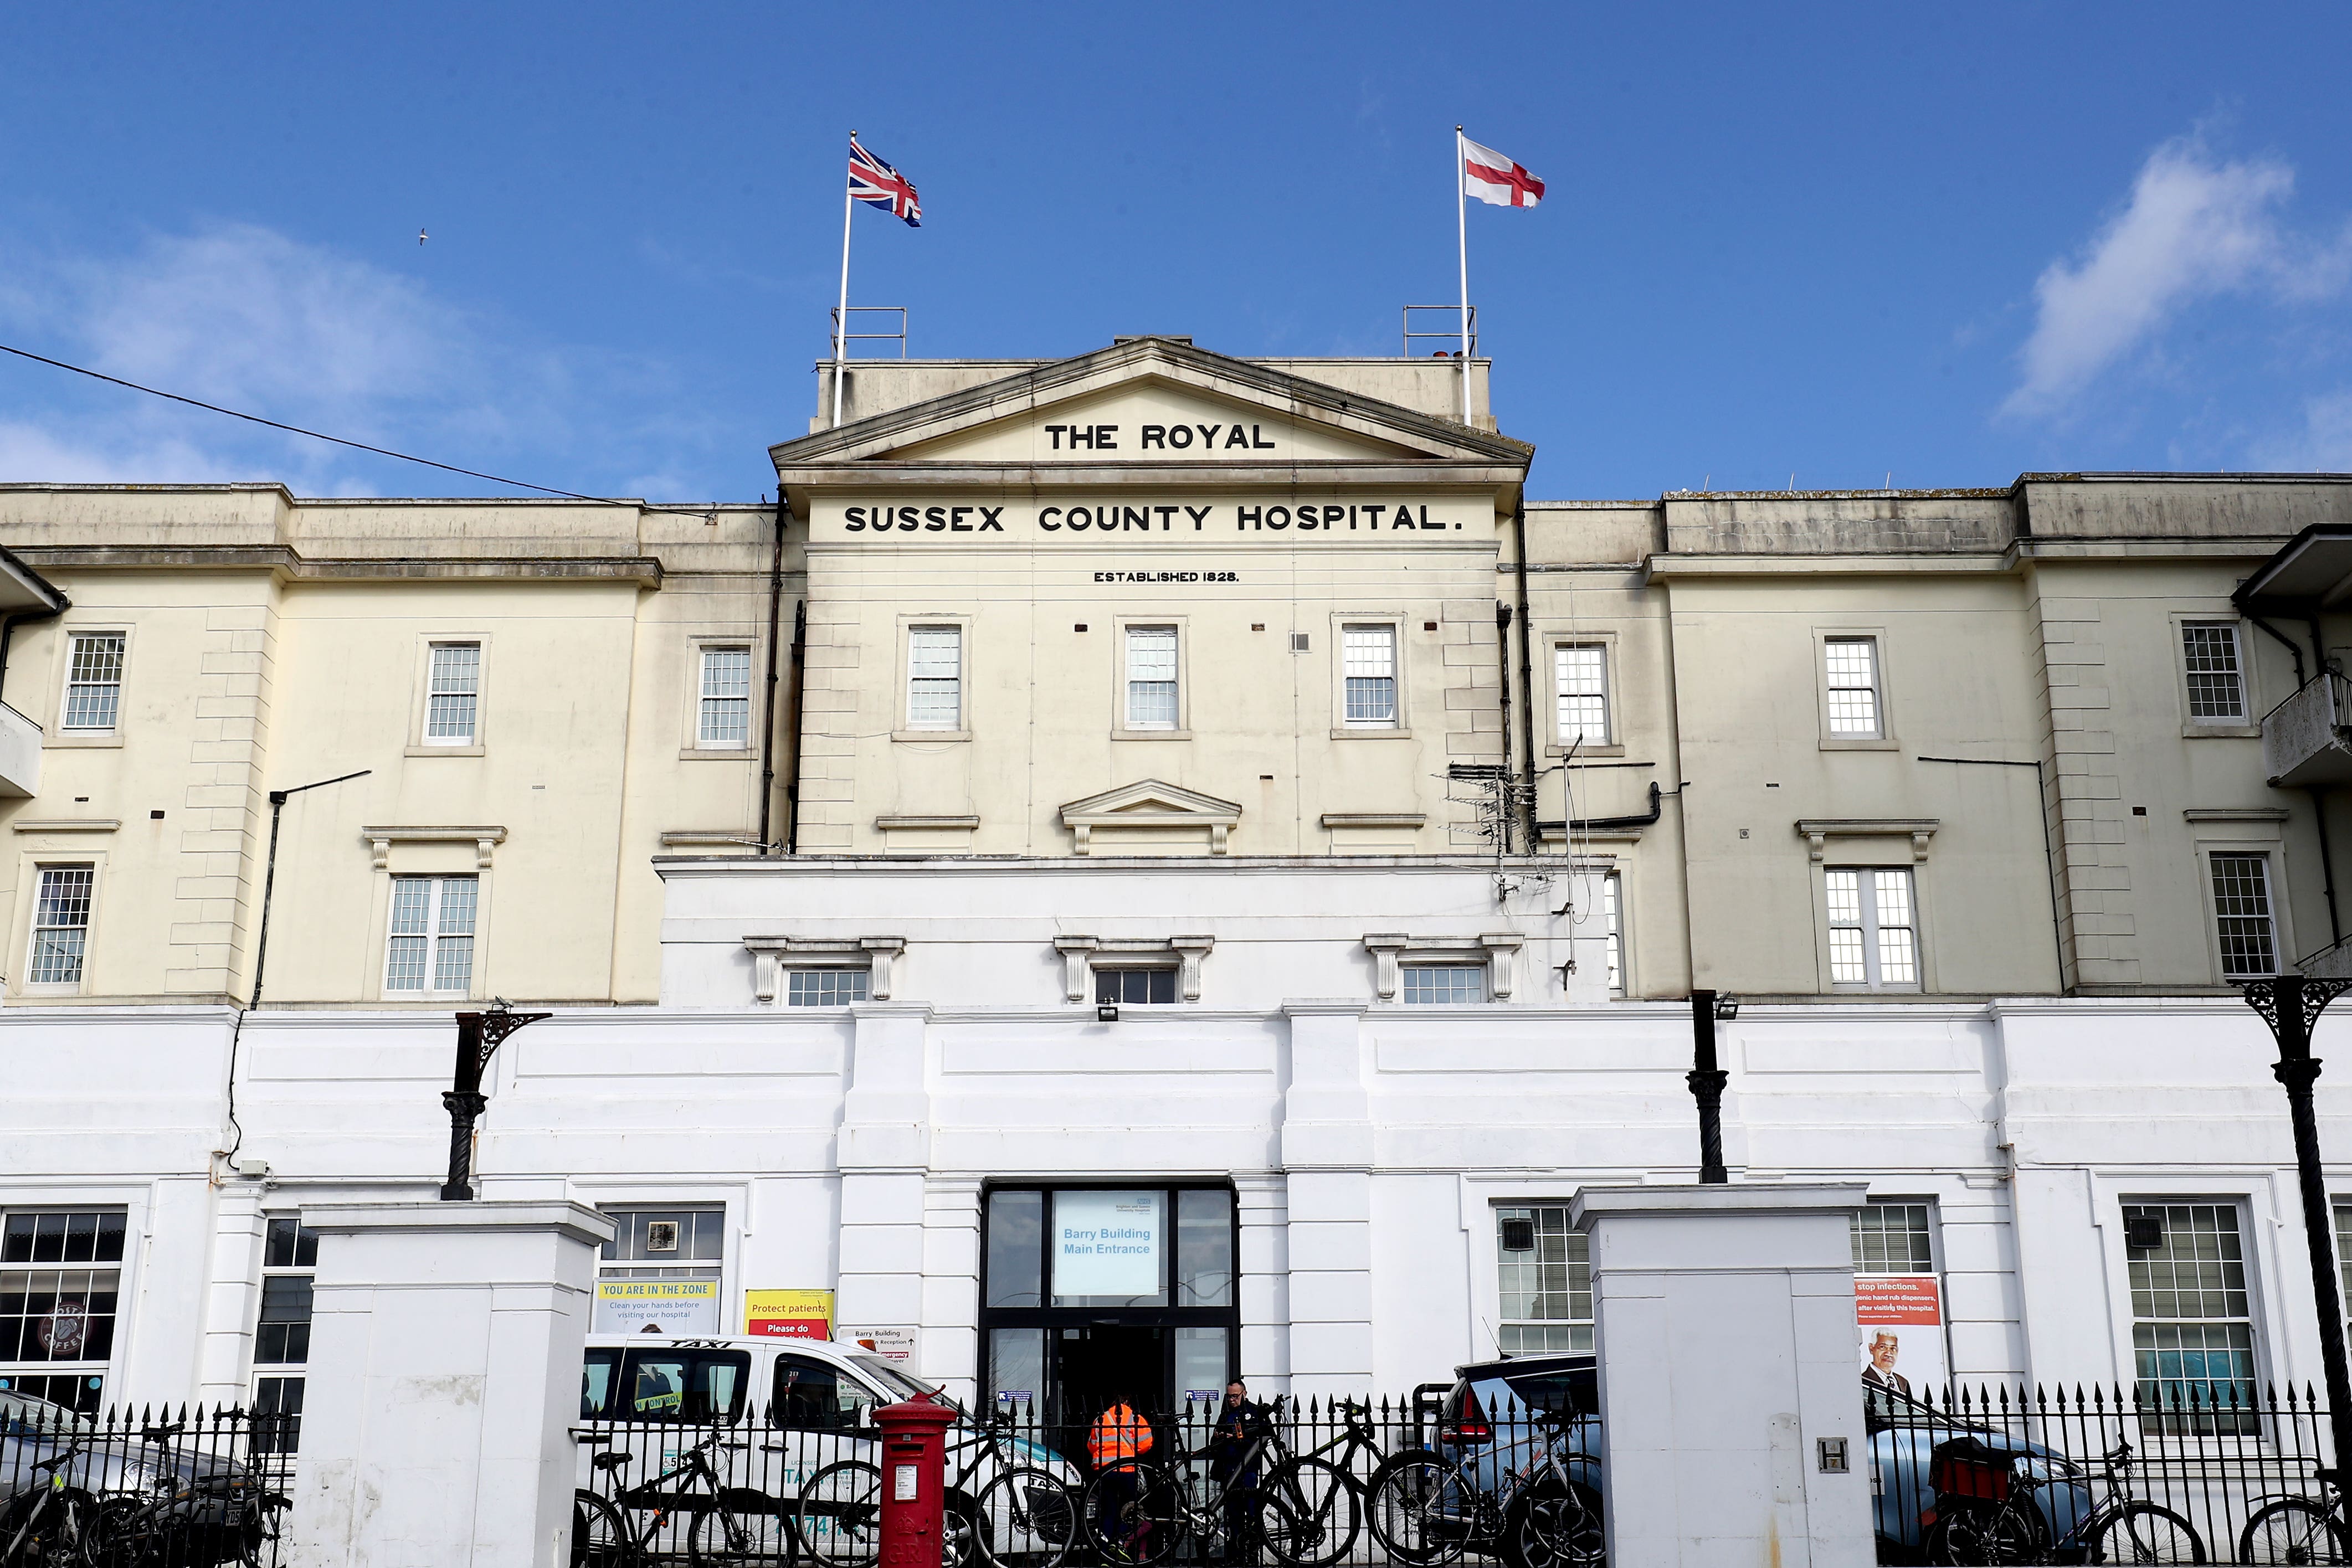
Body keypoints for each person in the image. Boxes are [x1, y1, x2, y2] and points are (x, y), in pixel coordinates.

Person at [1210, 1381, 1273, 1564]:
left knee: (1252, 1514)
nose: (1231, 1399)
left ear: (1244, 1393)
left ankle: (1252, 1556)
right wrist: (1220, 1437)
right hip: (1228, 1471)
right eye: (1229, 1396)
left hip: (1248, 1470)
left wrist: (1239, 1438)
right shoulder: (1225, 1415)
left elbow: (1265, 1436)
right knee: (1233, 1515)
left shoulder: (1254, 1412)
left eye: (1235, 1396)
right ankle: (1236, 1556)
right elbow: (1215, 1441)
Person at [1088, 1396, 1157, 1562]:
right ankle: (1120, 1541)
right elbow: (1146, 1444)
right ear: (1129, 1404)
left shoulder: (1100, 1419)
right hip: (1127, 1471)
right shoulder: (1135, 1418)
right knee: (1131, 1512)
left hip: (1105, 1471)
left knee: (1109, 1512)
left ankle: (1104, 1556)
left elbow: (1091, 1445)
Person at [1862, 1331, 1912, 1396]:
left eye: (1893, 1348)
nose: (1888, 1353)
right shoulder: (1863, 1381)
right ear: (1871, 1349)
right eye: (1883, 1347)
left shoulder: (1903, 1382)